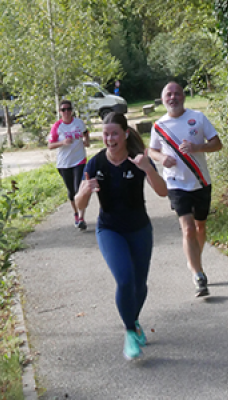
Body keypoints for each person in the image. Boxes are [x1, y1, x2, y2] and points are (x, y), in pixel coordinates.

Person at [75, 112, 167, 360]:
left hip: (139, 229)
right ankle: (129, 331)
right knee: (124, 280)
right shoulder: (95, 164)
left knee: (140, 285)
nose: (110, 138)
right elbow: (79, 204)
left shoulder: (138, 161)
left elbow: (162, 192)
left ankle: (133, 319)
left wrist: (149, 169)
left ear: (125, 134)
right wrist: (84, 192)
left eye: (114, 133)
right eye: (106, 134)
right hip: (110, 229)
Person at [149, 82, 223, 297]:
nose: (173, 98)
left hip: (200, 182)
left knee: (200, 227)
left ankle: (194, 261)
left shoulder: (198, 118)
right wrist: (162, 158)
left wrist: (197, 147)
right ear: (163, 99)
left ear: (183, 97)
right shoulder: (159, 125)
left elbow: (217, 143)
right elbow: (152, 150)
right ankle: (198, 274)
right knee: (188, 228)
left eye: (177, 94)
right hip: (175, 184)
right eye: (168, 94)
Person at [48, 100, 90, 230]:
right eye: (63, 110)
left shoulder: (78, 123)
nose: (66, 112)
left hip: (79, 160)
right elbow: (50, 145)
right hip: (64, 163)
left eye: (68, 109)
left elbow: (86, 133)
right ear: (60, 112)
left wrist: (86, 141)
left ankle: (82, 218)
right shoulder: (57, 127)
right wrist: (62, 143)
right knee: (71, 191)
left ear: (72, 110)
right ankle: (76, 213)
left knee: (79, 189)